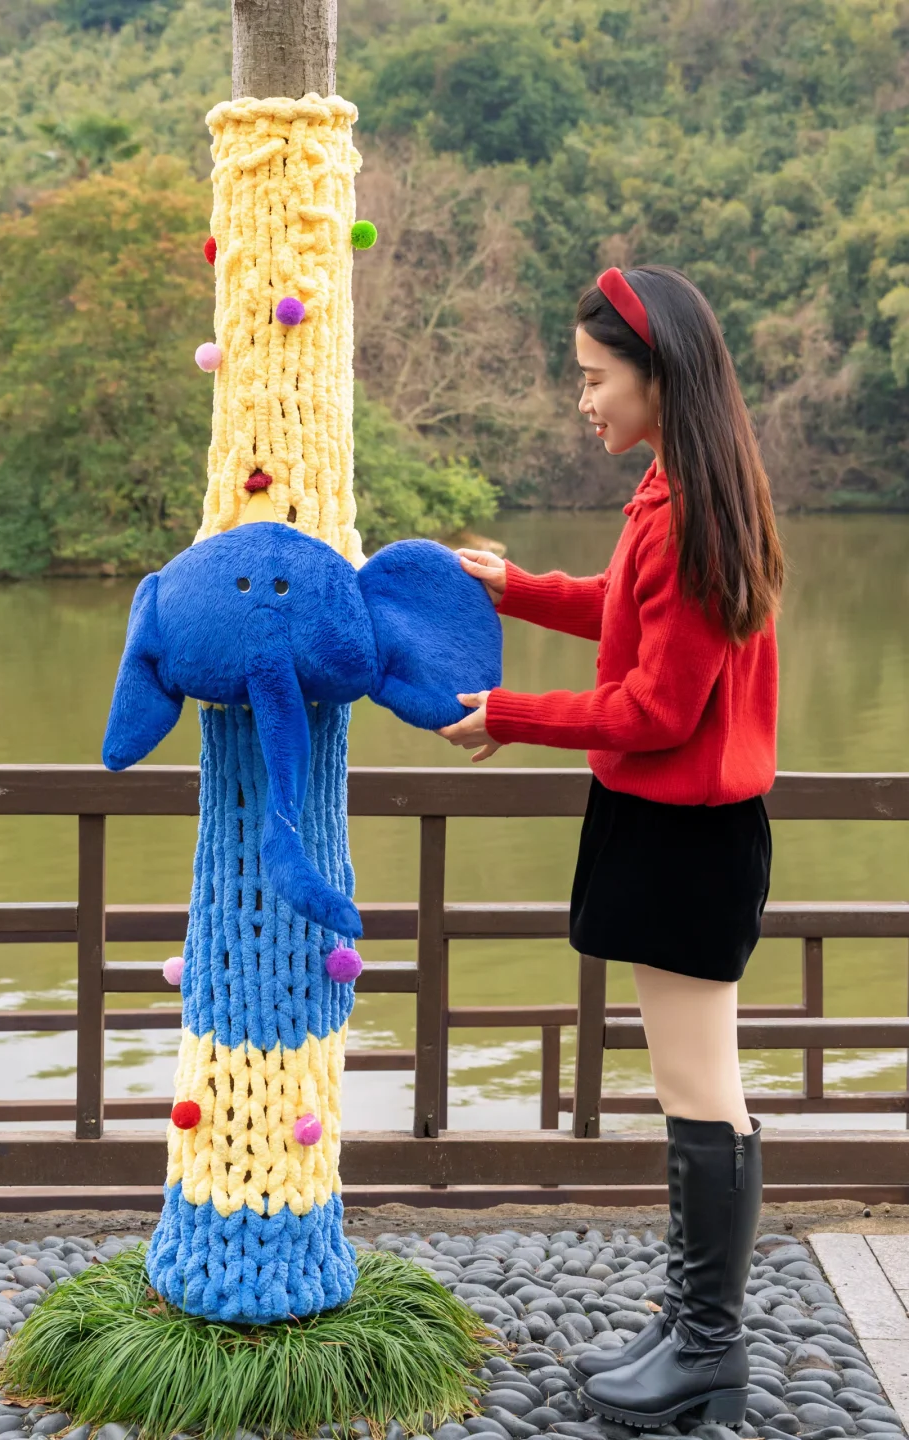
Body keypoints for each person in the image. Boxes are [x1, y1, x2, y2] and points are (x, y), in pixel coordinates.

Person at [440, 265, 783, 1429]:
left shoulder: (688, 509)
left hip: (686, 832)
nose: (583, 400)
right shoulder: (683, 489)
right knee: (698, 1090)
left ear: (656, 375)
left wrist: (509, 712)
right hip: (676, 825)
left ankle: (709, 1350)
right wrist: (512, 589)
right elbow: (620, 612)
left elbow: (655, 708)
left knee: (702, 1091)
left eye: (595, 379)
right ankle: (691, 1327)